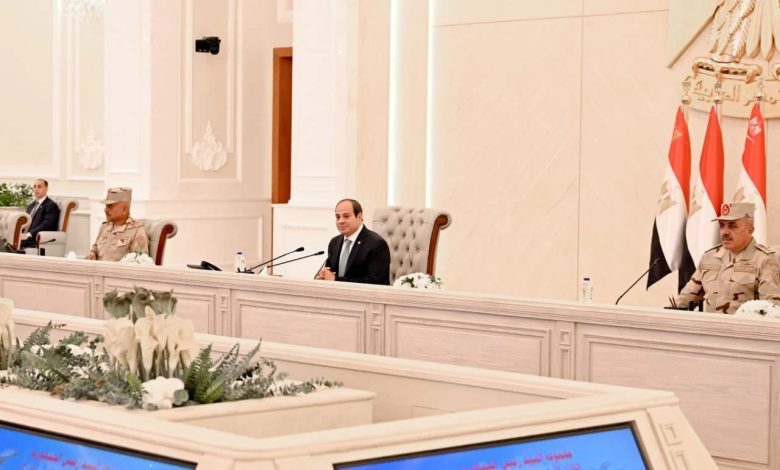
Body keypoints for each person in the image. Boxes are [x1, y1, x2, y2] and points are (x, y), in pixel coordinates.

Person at [675, 202, 780, 314]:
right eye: (722, 225)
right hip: (708, 324)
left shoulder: (765, 260)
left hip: (741, 325)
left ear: (749, 230)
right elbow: (685, 299)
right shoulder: (710, 257)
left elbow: (772, 308)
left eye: (732, 226)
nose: (725, 232)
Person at [316, 199, 390, 285]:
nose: (340, 221)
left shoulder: (377, 244)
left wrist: (335, 280)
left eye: (346, 216)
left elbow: (375, 282)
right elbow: (331, 275)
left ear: (359, 217)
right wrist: (324, 276)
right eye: (338, 217)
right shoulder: (334, 242)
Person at [85, 187, 149, 262]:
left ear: (124, 210)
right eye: (106, 206)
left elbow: (139, 261)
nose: (105, 210)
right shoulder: (105, 226)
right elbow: (95, 248)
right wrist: (92, 253)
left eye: (110, 206)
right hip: (98, 268)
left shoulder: (137, 231)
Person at [20, 179, 60, 250]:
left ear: (46, 189)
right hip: (24, 237)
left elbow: (46, 225)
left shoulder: (51, 205)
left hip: (35, 239)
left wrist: (28, 234)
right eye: (34, 186)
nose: (36, 189)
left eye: (39, 187)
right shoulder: (31, 206)